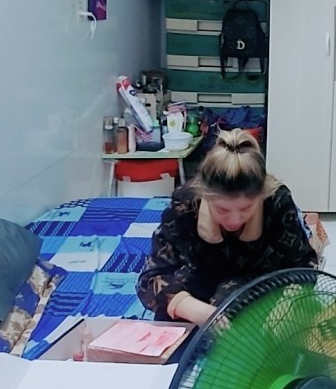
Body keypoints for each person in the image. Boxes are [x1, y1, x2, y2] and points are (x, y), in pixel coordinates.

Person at [136, 128, 318, 325]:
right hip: (199, 283)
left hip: (259, 287)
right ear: (204, 196)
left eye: (246, 208)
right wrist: (191, 308)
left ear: (261, 197)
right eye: (222, 210)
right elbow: (149, 279)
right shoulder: (185, 203)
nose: (234, 220)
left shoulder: (276, 202)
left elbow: (304, 266)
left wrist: (287, 302)